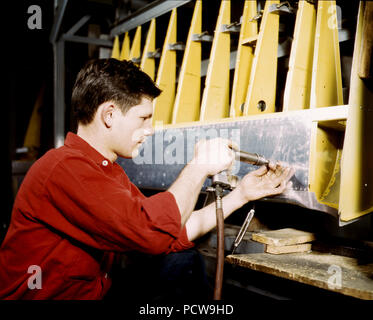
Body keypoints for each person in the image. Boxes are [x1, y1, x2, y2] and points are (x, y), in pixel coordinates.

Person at [0, 59, 294, 300]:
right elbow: (151, 233)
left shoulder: (105, 171)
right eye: (143, 118)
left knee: (181, 259)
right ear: (110, 115)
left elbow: (170, 232)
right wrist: (198, 167)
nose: (150, 130)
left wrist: (241, 194)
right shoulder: (64, 168)